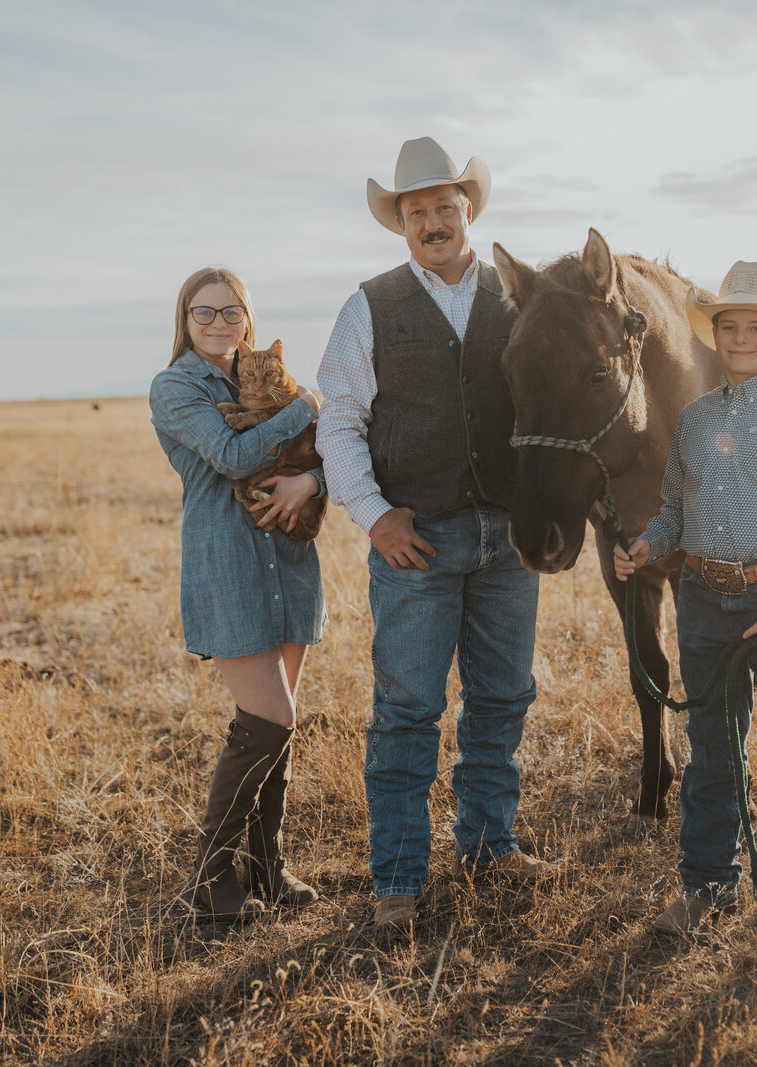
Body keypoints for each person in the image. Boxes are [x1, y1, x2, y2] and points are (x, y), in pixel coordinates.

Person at [315, 137, 556, 938]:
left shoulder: (519, 298)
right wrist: (375, 514)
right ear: (402, 224)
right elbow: (341, 423)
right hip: (415, 542)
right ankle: (398, 881)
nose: (431, 222)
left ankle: (490, 846)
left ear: (467, 210)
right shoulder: (370, 304)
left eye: (443, 207)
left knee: (500, 699)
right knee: (407, 711)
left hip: (505, 542)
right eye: (415, 211)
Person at [613, 261, 757, 953]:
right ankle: (707, 884)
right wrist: (645, 543)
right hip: (702, 600)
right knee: (711, 751)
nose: (740, 338)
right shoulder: (692, 420)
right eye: (729, 326)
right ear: (713, 336)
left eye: (755, 327)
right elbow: (674, 511)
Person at [149, 266, 327, 922]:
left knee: (280, 725)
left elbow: (324, 453)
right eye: (205, 312)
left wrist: (312, 485)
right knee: (269, 720)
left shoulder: (260, 373)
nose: (220, 323)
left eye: (232, 312)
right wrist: (307, 407)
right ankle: (209, 879)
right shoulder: (174, 386)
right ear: (185, 319)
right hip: (229, 565)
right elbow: (229, 454)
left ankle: (268, 866)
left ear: (248, 319)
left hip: (290, 560)